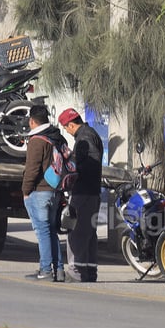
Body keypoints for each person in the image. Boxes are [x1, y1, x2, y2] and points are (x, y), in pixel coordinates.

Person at [58, 107, 104, 283]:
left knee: (76, 232)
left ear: (70, 125)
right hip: (92, 191)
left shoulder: (84, 138)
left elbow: (91, 163)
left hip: (84, 191)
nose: (68, 133)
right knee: (89, 234)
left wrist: (72, 168)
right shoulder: (90, 134)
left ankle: (76, 272)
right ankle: (89, 272)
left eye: (66, 128)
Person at [22, 104, 66, 281]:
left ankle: (46, 270)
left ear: (32, 121)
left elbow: (32, 169)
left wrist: (26, 191)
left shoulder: (37, 141)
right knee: (51, 230)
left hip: (40, 191)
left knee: (42, 231)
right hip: (55, 190)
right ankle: (59, 270)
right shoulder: (57, 137)